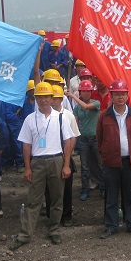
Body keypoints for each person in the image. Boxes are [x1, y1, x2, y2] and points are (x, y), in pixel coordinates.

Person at [9, 82, 74, 249]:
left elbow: (68, 143)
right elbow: (26, 145)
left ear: (52, 98)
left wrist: (67, 165)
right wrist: (27, 167)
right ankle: (25, 234)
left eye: (46, 96)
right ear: (35, 98)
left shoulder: (60, 118)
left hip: (56, 160)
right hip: (37, 161)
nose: (43, 100)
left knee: (57, 198)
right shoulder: (30, 119)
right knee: (33, 200)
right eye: (40, 97)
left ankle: (54, 230)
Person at [97, 79, 131, 239]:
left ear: (127, 95)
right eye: (117, 94)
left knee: (130, 195)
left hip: (130, 161)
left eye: (123, 94)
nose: (120, 97)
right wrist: (106, 154)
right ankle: (111, 225)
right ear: (111, 96)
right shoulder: (104, 116)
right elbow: (100, 138)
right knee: (111, 196)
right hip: (111, 163)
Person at [47, 85, 80, 227]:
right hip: (49, 156)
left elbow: (74, 137)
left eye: (56, 98)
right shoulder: (44, 115)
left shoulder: (68, 115)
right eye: (51, 98)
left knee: (66, 189)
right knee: (49, 188)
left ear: (61, 99)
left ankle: (66, 216)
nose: (53, 101)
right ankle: (51, 215)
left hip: (64, 156)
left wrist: (67, 154)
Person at [68, 80, 103, 201]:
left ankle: (103, 189)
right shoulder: (77, 108)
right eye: (84, 91)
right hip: (83, 139)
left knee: (100, 164)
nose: (86, 93)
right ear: (81, 92)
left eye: (88, 91)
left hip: (95, 139)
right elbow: (75, 122)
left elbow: (86, 106)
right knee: (84, 166)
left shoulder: (96, 103)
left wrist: (73, 96)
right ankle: (85, 189)